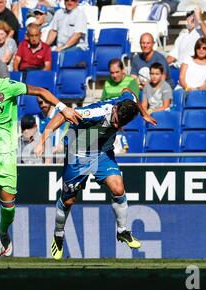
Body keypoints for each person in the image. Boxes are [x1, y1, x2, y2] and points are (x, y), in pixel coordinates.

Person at [0, 62, 81, 259]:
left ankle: (2, 232)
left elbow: (40, 91)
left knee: (8, 208)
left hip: (6, 153)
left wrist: (63, 108)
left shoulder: (8, 87)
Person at [34, 89, 156, 260]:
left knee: (118, 189)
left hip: (101, 152)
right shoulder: (96, 112)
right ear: (114, 110)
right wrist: (42, 141)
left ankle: (122, 231)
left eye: (119, 124)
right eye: (114, 121)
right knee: (69, 200)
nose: (115, 126)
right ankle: (59, 234)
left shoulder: (127, 104)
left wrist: (144, 114)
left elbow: (130, 93)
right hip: (79, 152)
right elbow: (62, 115)